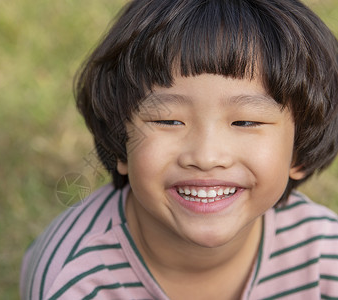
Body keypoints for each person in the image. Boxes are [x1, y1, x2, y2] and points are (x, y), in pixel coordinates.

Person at [20, 0, 338, 299]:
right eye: (168, 120)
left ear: (299, 149)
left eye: (245, 122)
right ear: (120, 141)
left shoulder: (325, 258)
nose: (206, 156)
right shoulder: (77, 280)